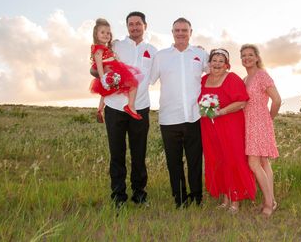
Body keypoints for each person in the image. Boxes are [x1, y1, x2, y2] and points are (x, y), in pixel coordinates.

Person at [90, 12, 157, 207]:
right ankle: (118, 197)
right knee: (117, 154)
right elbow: (96, 65)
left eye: (138, 24)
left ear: (145, 25)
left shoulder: (152, 51)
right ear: (127, 26)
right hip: (114, 107)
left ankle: (139, 195)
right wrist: (100, 74)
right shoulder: (116, 45)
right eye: (131, 24)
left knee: (139, 154)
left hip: (140, 108)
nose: (134, 27)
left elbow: (151, 79)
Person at [150, 17, 209, 208]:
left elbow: (216, 72)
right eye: (177, 30)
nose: (181, 33)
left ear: (191, 32)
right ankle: (180, 199)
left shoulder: (200, 54)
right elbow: (147, 79)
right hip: (169, 118)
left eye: (185, 30)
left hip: (195, 116)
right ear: (172, 32)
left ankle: (197, 197)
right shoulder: (161, 56)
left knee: (194, 161)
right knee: (173, 162)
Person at [199, 48, 256, 213]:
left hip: (230, 125)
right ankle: (225, 197)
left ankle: (235, 200)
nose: (217, 64)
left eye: (220, 61)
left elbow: (242, 102)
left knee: (233, 160)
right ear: (209, 64)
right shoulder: (203, 80)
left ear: (226, 65)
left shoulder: (232, 78)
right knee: (217, 160)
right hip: (209, 127)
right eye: (214, 60)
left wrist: (221, 112)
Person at [241, 44, 281, 217]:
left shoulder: (262, 75)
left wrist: (269, 118)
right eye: (243, 56)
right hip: (248, 123)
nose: (246, 58)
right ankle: (272, 200)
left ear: (257, 57)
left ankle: (268, 203)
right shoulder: (245, 79)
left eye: (250, 55)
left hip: (260, 123)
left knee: (254, 163)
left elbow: (277, 100)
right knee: (264, 163)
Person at [89, 18, 143, 120]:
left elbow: (111, 57)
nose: (106, 35)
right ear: (96, 35)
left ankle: (100, 109)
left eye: (108, 33)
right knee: (133, 83)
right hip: (108, 71)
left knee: (106, 91)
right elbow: (99, 65)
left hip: (112, 69)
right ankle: (130, 106)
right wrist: (103, 78)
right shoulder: (98, 49)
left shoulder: (107, 47)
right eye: (103, 32)